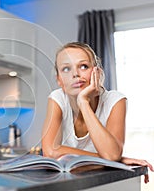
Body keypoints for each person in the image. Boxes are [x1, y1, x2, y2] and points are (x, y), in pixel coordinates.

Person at [42, 42, 153, 183]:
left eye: (83, 66)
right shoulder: (57, 98)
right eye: (66, 69)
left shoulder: (115, 100)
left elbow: (111, 154)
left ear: (97, 72)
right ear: (59, 80)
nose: (75, 74)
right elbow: (51, 152)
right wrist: (115, 160)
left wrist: (83, 102)